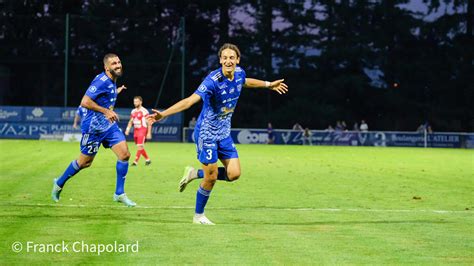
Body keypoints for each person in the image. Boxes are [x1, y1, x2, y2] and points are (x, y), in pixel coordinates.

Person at [147, 43, 288, 225]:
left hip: (224, 134)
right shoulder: (212, 81)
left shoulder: (239, 73)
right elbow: (190, 101)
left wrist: (268, 85)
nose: (228, 61)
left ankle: (194, 173)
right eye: (225, 58)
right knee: (211, 177)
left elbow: (246, 82)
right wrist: (163, 114)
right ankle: (198, 216)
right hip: (206, 135)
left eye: (232, 58)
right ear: (220, 60)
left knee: (234, 174)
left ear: (237, 60)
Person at [51, 53, 136, 207]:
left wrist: (116, 92)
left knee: (125, 154)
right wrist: (106, 111)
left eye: (119, 62)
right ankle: (59, 183)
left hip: (109, 127)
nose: (118, 65)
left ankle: (119, 193)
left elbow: (104, 97)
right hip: (93, 129)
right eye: (114, 63)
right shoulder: (101, 81)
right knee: (84, 163)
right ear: (106, 67)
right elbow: (85, 101)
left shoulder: (112, 82)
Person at [125, 96, 152, 166]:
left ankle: (135, 162)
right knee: (140, 147)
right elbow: (130, 121)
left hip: (142, 129)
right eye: (134, 102)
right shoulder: (133, 111)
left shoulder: (144, 111)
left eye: (136, 101)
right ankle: (148, 159)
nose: (135, 103)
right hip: (136, 130)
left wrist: (149, 133)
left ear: (140, 102)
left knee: (140, 146)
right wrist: (127, 129)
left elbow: (149, 122)